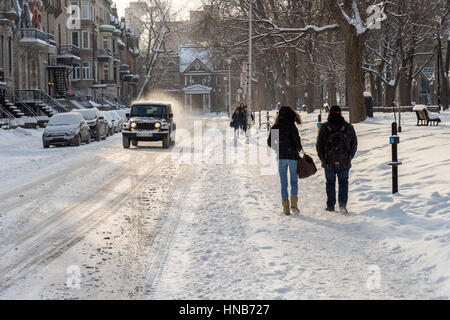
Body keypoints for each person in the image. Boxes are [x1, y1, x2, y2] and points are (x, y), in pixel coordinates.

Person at [316, 105, 357, 214]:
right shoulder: (348, 127)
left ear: (329, 113)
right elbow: (354, 144)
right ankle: (342, 205)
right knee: (343, 182)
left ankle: (330, 205)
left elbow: (319, 145)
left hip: (328, 161)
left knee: (330, 182)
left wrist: (323, 159)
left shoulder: (324, 127)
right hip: (344, 161)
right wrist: (349, 157)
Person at [268, 106, 302, 215]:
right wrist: (298, 148)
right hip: (292, 157)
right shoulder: (292, 126)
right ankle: (294, 205)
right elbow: (297, 142)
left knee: (283, 183)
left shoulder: (276, 126)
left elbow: (270, 142)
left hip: (281, 157)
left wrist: (278, 148)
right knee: (294, 181)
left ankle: (286, 208)